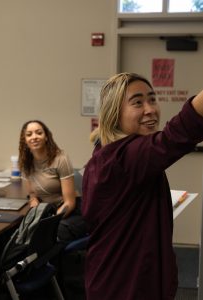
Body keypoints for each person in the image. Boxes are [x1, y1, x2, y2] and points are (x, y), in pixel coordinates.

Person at [81, 72, 203, 300]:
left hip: (115, 277)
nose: (150, 109)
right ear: (114, 114)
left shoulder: (105, 154)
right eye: (137, 102)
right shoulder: (124, 158)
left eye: (152, 99)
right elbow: (177, 134)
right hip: (126, 286)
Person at [18, 120, 87, 245]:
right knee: (21, 232)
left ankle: (45, 263)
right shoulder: (25, 163)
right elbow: (32, 195)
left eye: (39, 133)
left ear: (46, 137)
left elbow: (69, 203)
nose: (34, 137)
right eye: (29, 134)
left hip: (70, 212)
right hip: (47, 212)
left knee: (45, 236)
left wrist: (48, 221)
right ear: (24, 140)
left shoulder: (60, 159)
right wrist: (35, 210)